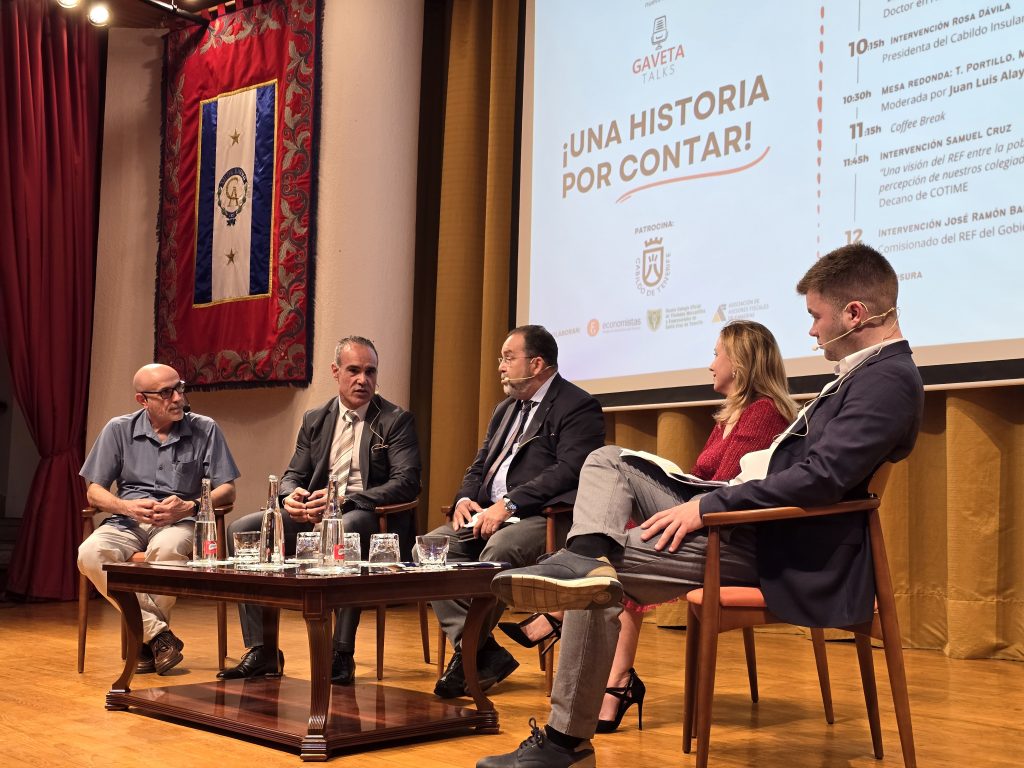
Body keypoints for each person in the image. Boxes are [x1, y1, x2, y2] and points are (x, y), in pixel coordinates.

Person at [479, 243, 925, 768]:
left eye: (816, 316)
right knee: (606, 460)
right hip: (751, 523)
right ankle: (585, 556)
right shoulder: (866, 374)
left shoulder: (888, 379)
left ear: (855, 314)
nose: (811, 331)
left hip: (773, 544)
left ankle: (565, 743)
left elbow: (821, 479)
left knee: (595, 581)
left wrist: (711, 506)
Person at [497, 320, 796, 732]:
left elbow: (725, 489)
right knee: (607, 485)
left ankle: (579, 621)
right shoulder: (731, 415)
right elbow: (701, 479)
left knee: (607, 479)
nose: (710, 364)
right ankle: (587, 590)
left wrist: (675, 495)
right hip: (706, 521)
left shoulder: (764, 413)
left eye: (716, 354)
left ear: (741, 363)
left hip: (729, 534)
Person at [219, 336, 420, 685]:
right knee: (244, 528)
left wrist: (345, 500)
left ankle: (341, 652)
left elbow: (407, 482)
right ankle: (263, 649)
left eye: (370, 372)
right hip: (314, 515)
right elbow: (292, 474)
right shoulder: (316, 418)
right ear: (336, 372)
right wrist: (289, 497)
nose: (363, 380)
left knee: (349, 525)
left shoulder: (394, 420)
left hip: (370, 520)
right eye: (354, 371)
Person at [428, 324, 606, 699]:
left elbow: (569, 470)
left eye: (508, 358)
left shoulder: (578, 406)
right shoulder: (505, 409)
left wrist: (508, 504)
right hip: (489, 514)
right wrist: (464, 499)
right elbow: (480, 464)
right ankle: (481, 651)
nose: (500, 367)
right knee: (429, 549)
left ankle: (471, 655)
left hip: (542, 518)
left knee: (498, 552)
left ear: (537, 363)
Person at [78, 364, 239, 675]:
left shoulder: (205, 428)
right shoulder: (118, 429)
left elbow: (227, 490)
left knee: (166, 552)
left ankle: (144, 641)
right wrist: (125, 507)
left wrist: (190, 506)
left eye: (180, 387)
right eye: (167, 393)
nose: (178, 397)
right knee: (89, 553)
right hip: (126, 522)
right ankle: (158, 636)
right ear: (143, 400)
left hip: (179, 522)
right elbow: (94, 492)